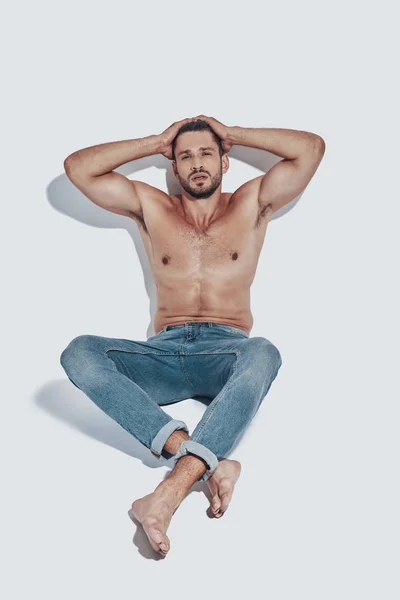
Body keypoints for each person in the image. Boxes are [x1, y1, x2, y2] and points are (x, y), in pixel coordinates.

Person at [60, 115, 325, 556]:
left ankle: (169, 493)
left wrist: (233, 134)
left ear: (224, 162)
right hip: (163, 352)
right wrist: (156, 140)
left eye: (206, 154)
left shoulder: (252, 202)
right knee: (79, 353)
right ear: (175, 166)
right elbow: (78, 168)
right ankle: (209, 462)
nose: (196, 163)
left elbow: (311, 149)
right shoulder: (151, 207)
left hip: (228, 350)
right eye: (185, 156)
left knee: (264, 352)